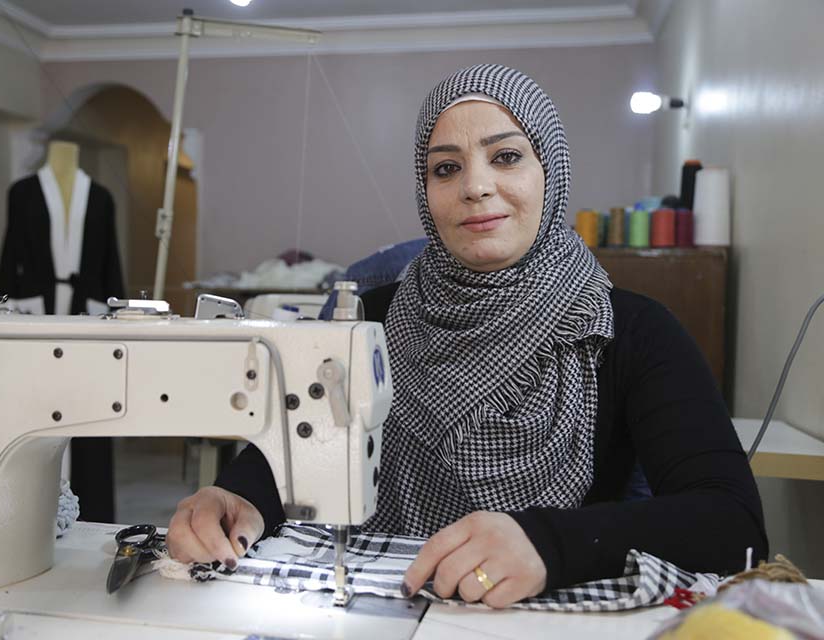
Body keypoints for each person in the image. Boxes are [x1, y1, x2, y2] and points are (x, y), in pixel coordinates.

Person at [166, 64, 767, 608]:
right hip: (382, 600)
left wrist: (550, 544)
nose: (474, 186)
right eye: (446, 167)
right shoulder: (369, 318)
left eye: (506, 157)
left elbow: (733, 522)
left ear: (550, 172)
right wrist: (236, 498)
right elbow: (296, 455)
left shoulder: (628, 330)